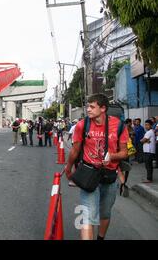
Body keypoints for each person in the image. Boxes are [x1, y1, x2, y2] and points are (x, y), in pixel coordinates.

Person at [64, 93, 128, 240]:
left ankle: (100, 237)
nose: (88, 109)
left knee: (105, 213)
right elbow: (75, 150)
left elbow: (124, 152)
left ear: (103, 108)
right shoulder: (82, 124)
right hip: (89, 175)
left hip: (110, 175)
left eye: (92, 107)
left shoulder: (118, 125)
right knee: (87, 215)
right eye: (88, 106)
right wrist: (68, 168)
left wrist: (112, 156)